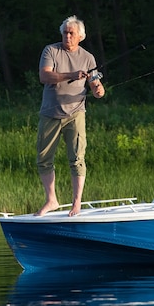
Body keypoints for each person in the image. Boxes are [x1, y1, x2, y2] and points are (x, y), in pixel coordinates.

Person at [35, 15, 105, 217]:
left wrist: (98, 89)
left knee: (77, 158)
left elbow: (95, 84)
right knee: (43, 158)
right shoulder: (51, 50)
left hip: (76, 113)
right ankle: (52, 200)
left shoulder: (88, 58)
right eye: (65, 32)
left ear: (80, 36)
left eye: (71, 33)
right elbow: (44, 76)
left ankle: (76, 203)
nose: (67, 36)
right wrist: (71, 75)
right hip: (50, 113)